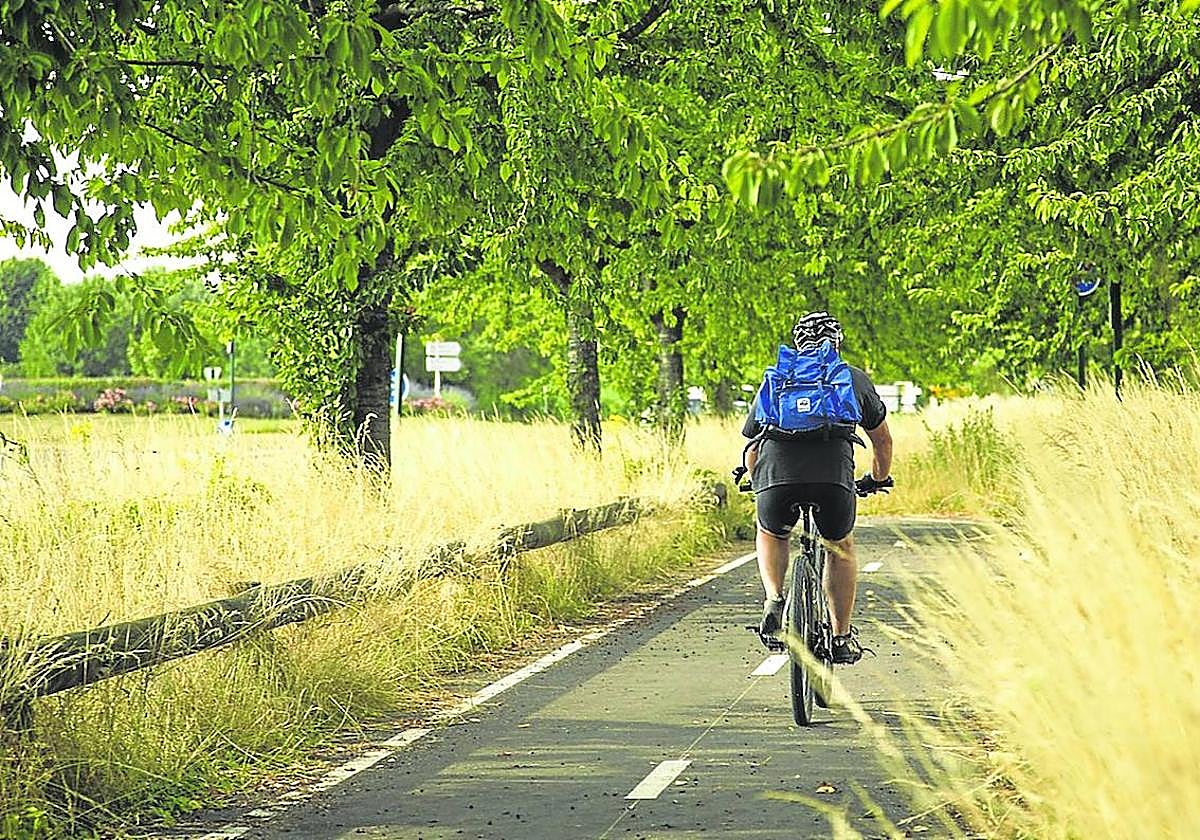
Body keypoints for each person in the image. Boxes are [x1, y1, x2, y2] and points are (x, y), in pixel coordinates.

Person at [741, 311, 893, 665]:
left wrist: (757, 481)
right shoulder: (851, 378)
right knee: (840, 546)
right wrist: (879, 478)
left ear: (798, 344)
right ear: (836, 343)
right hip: (833, 481)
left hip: (776, 476)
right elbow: (882, 442)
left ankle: (775, 600)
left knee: (771, 531)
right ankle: (840, 637)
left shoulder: (777, 379)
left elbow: (752, 443)